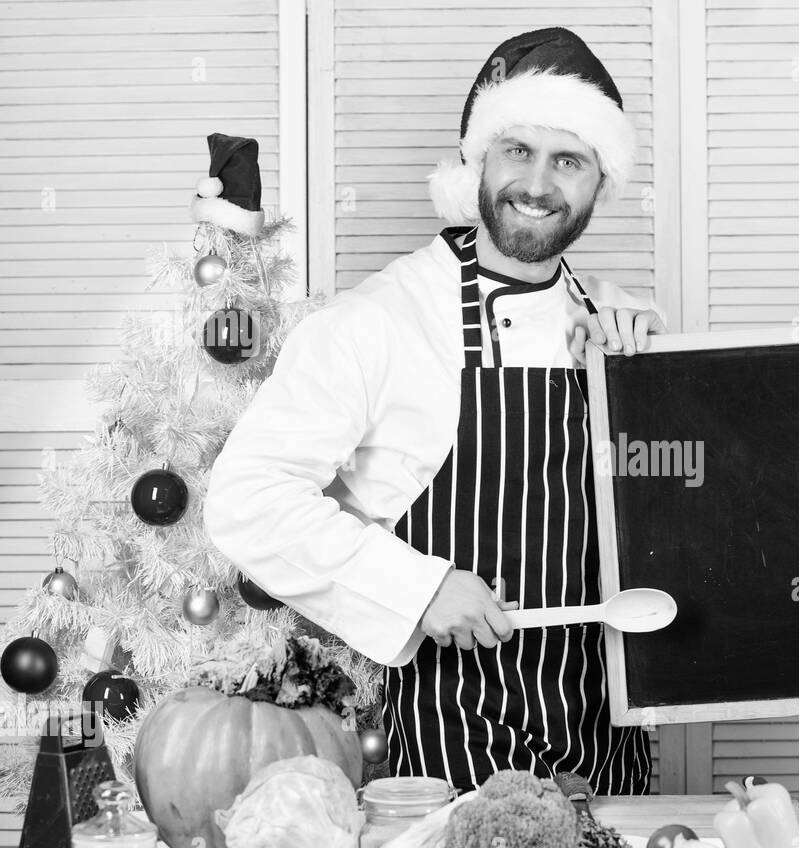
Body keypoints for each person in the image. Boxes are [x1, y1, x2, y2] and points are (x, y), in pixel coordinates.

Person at [205, 28, 665, 794]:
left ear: (598, 185)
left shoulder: (616, 322)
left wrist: (659, 386)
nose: (539, 184)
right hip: (451, 750)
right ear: (476, 161)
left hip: (605, 749)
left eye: (569, 160)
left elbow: (692, 514)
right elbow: (247, 501)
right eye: (517, 149)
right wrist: (416, 588)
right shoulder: (382, 318)